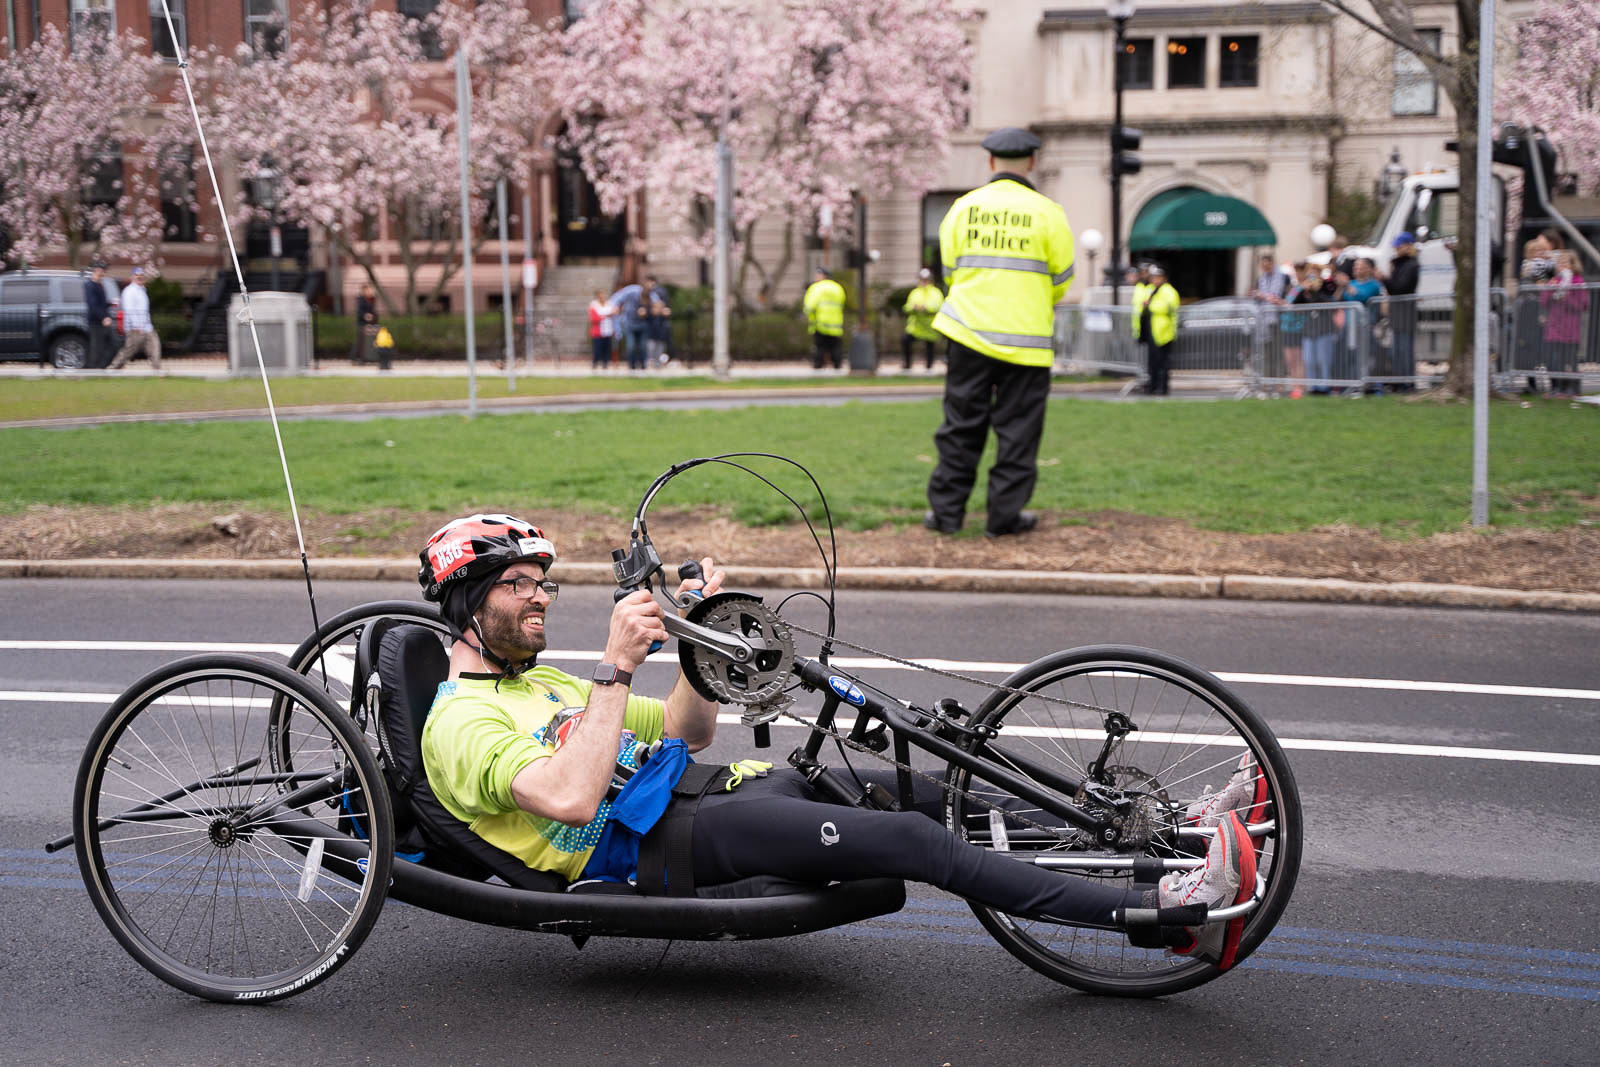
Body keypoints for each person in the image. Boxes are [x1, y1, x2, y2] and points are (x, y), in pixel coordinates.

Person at [414, 515, 1260, 969]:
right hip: (660, 842)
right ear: (467, 603)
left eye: (541, 584)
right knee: (915, 841)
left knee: (942, 792)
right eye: (519, 586)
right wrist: (612, 670)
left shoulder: (545, 684)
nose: (540, 599)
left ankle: (1177, 833)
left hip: (727, 787)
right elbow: (566, 797)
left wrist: (702, 648)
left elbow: (685, 728)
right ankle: (1168, 913)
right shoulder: (458, 722)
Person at [923, 127, 1073, 538]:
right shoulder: (1048, 213)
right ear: (1032, 162)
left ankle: (947, 515)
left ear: (990, 162)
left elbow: (951, 272)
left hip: (967, 334)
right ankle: (1004, 518)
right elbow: (1061, 279)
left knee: (960, 426)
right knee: (1018, 431)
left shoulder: (962, 209)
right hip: (1026, 342)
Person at [1541, 250, 1589, 396]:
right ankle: (1558, 388)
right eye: (1560, 263)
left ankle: (1574, 389)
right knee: (1556, 361)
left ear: (1573, 265)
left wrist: (1565, 296)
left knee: (1571, 360)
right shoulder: (1555, 280)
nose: (1562, 266)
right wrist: (1550, 289)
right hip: (1555, 327)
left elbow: (1582, 305)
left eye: (1565, 263)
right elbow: (1544, 302)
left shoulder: (1578, 281)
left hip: (1570, 328)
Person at [1292, 263, 1340, 394]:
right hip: (1308, 331)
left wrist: (1317, 291)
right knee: (1309, 360)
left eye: (1314, 272)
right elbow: (1295, 304)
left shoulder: (1327, 287)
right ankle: (1313, 387)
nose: (1312, 276)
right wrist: (1303, 290)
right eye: (1310, 273)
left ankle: (1325, 387)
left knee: (1323, 360)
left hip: (1324, 330)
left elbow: (1332, 304)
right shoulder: (1305, 290)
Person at [1133, 263, 1179, 395]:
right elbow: (1141, 303)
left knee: (1162, 363)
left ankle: (1162, 388)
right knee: (1152, 362)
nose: (1154, 280)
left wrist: (1150, 306)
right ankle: (1152, 386)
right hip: (1151, 331)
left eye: (1157, 277)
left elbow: (1168, 308)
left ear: (1164, 278)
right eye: (1153, 277)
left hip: (1164, 333)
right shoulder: (1150, 290)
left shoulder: (1169, 291)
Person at [1382, 232, 1420, 389]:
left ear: (1408, 246)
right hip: (1397, 312)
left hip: (1406, 311)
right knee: (1396, 348)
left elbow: (1400, 288)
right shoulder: (1398, 265)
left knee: (1405, 347)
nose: (1397, 249)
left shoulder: (1412, 265)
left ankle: (1407, 381)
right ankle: (1398, 380)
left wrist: (1384, 279)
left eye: (1400, 246)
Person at [1342, 258, 1386, 392]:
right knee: (1353, 355)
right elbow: (1344, 298)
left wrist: (1348, 287)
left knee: (1367, 356)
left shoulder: (1374, 285)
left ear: (1369, 269)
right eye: (1355, 267)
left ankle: (1368, 384)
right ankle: (1354, 383)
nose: (1357, 269)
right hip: (1351, 327)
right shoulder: (1351, 283)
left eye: (1360, 266)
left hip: (1367, 326)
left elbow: (1364, 297)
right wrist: (1344, 286)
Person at [107, 267, 162, 372]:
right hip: (134, 328)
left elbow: (144, 310)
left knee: (155, 346)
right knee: (129, 350)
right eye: (137, 275)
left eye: (141, 275)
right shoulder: (129, 291)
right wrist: (137, 326)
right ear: (132, 277)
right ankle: (113, 369)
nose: (139, 277)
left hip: (147, 327)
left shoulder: (143, 290)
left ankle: (157, 370)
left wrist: (147, 325)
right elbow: (129, 310)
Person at [802, 267, 846, 370]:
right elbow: (843, 302)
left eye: (818, 275)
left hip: (820, 322)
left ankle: (818, 365)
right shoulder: (837, 288)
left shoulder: (816, 288)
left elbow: (809, 306)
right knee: (835, 346)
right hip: (836, 323)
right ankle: (837, 365)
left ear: (823, 276)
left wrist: (809, 315)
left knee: (820, 346)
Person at [901, 268, 943, 370]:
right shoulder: (915, 292)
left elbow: (938, 306)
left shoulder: (936, 293)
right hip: (916, 328)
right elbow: (906, 307)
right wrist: (913, 308)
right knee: (905, 341)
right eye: (922, 279)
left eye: (926, 279)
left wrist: (926, 308)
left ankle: (929, 367)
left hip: (930, 328)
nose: (924, 282)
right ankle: (907, 365)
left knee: (930, 347)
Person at [83, 260, 117, 370]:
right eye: (101, 271)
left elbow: (100, 303)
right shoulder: (90, 286)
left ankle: (100, 367)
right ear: (96, 271)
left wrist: (110, 303)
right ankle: (93, 369)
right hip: (96, 322)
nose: (103, 273)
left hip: (102, 321)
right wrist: (103, 317)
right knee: (96, 347)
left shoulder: (100, 285)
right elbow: (92, 305)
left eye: (103, 271)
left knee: (110, 345)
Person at [351, 284, 379, 367]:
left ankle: (365, 358)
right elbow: (359, 312)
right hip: (362, 323)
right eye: (368, 290)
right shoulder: (361, 300)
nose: (369, 292)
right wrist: (365, 316)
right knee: (360, 341)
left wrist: (373, 317)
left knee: (366, 342)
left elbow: (373, 311)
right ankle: (356, 357)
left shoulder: (371, 299)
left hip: (369, 323)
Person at [587, 290, 615, 370]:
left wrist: (604, 314)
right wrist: (606, 315)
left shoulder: (608, 304)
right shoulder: (594, 305)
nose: (603, 297)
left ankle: (605, 365)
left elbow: (613, 313)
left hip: (608, 331)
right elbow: (594, 318)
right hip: (598, 332)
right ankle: (594, 364)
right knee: (597, 350)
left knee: (606, 350)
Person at [645, 293, 672, 368]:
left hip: (660, 337)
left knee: (659, 351)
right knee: (650, 351)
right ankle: (650, 365)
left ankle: (658, 365)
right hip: (651, 336)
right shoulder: (650, 315)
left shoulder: (662, 317)